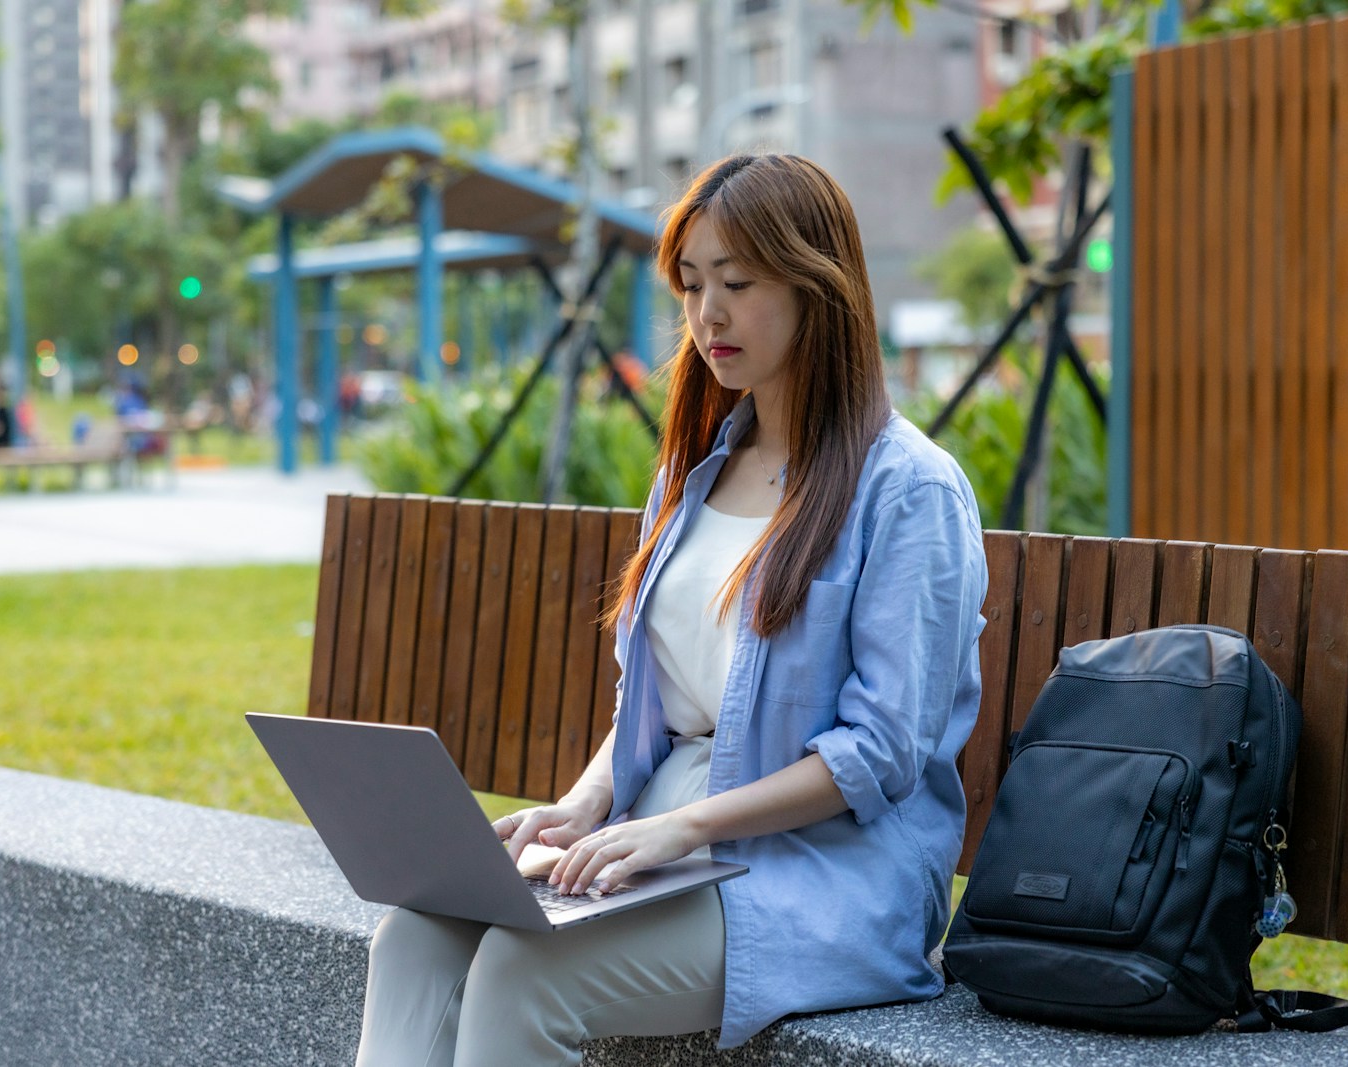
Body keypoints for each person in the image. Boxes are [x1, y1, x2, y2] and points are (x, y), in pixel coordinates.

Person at [355, 154, 989, 1067]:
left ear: (820, 285)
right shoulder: (692, 474)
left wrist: (688, 824)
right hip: (654, 845)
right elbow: (655, 698)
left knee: (522, 971)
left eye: (737, 282)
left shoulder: (908, 490)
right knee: (415, 934)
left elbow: (882, 752)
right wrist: (583, 803)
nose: (707, 316)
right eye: (692, 285)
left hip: (820, 876)